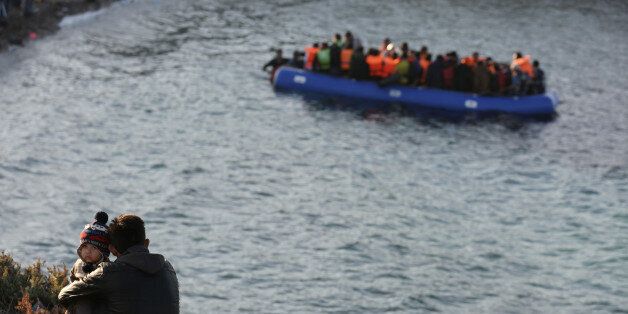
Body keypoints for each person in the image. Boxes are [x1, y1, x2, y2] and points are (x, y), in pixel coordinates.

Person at [59, 214, 180, 313]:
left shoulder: (108, 272)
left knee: (85, 297)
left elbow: (64, 295)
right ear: (146, 243)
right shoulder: (168, 268)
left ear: (112, 249)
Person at [67, 211, 111, 314]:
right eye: (85, 246)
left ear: (103, 252)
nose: (88, 251)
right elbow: (72, 280)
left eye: (94, 248)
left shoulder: (107, 268)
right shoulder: (78, 264)